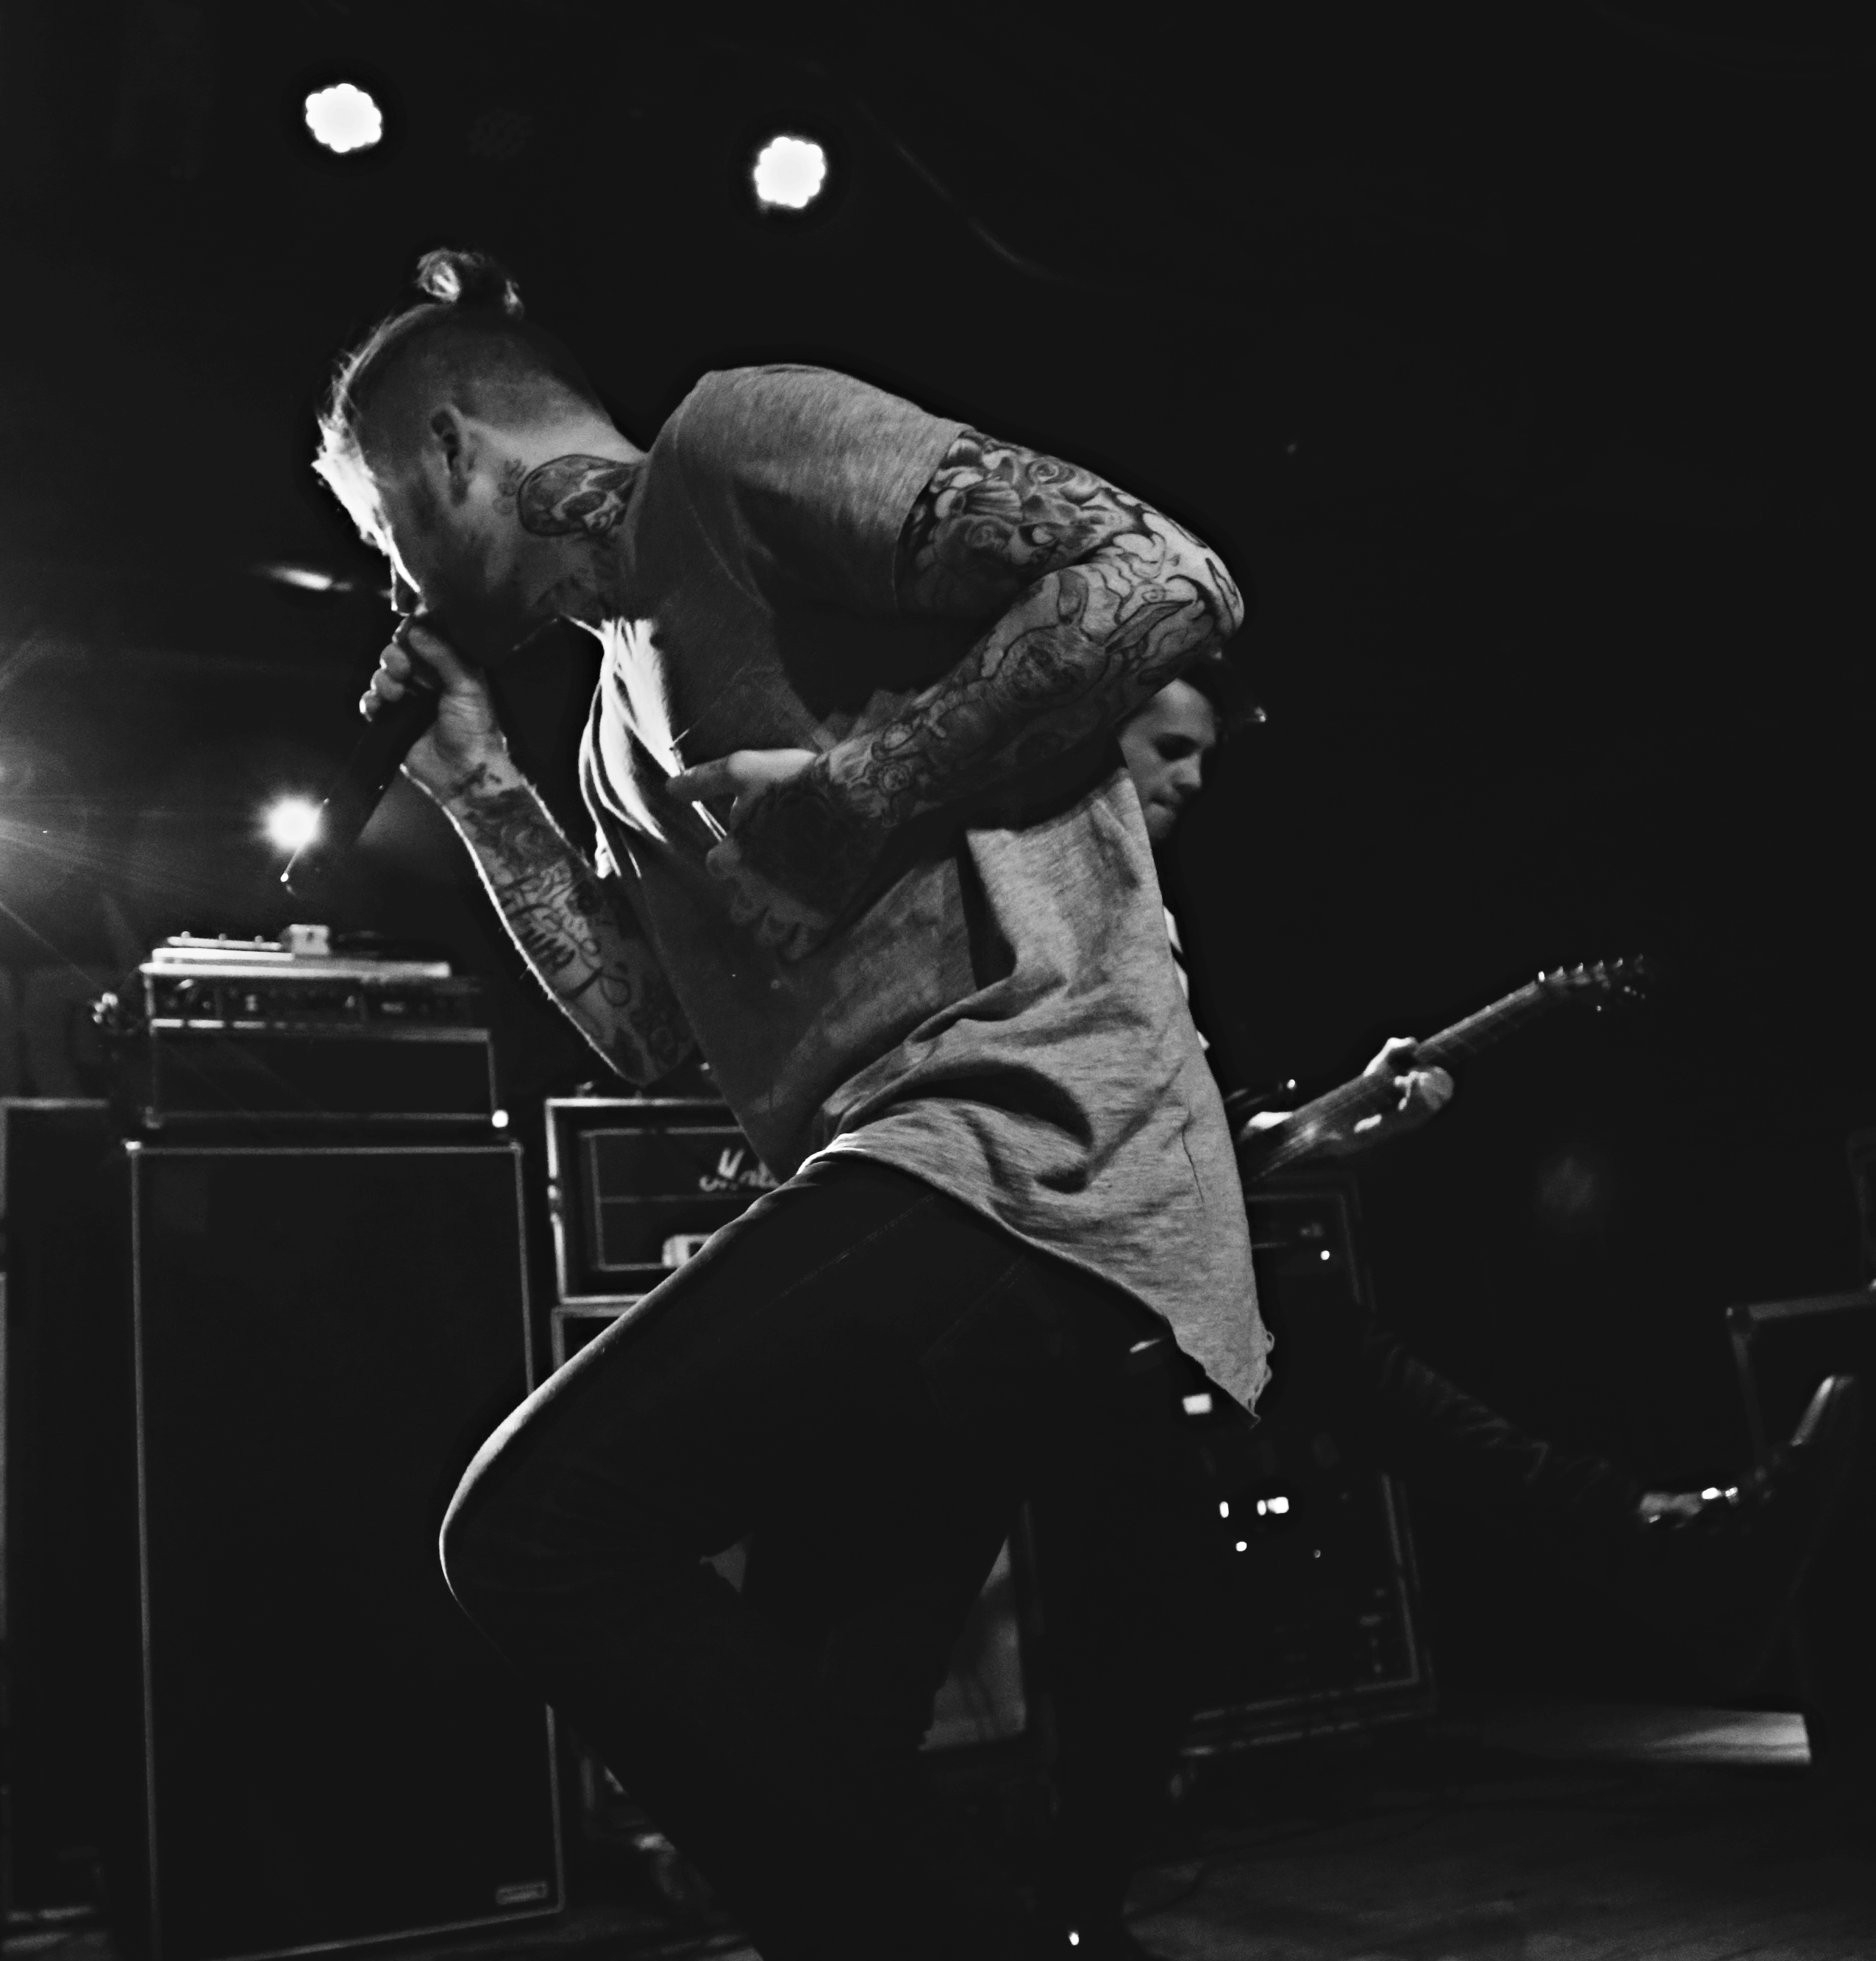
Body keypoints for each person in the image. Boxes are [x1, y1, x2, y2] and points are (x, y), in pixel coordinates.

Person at [316, 248, 1252, 1959]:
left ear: (449, 449)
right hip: (907, 1195)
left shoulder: (734, 449)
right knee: (808, 1783)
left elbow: (1164, 574)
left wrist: (866, 783)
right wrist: (481, 789)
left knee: (533, 1534)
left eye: (384, 524)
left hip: (1030, 1140)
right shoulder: (608, 738)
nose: (392, 574)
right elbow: (653, 1038)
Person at [1035, 667, 1861, 1954]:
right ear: (1094, 742)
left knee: (1167, 1559)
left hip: (1111, 1289)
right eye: (1170, 747)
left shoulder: (1138, 914)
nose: (1194, 778)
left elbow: (1175, 1139)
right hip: (1020, 1285)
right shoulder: (1046, 892)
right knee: (1105, 1577)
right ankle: (1663, 1545)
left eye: (1204, 754)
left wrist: (1329, 1128)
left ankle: (1069, 1910)